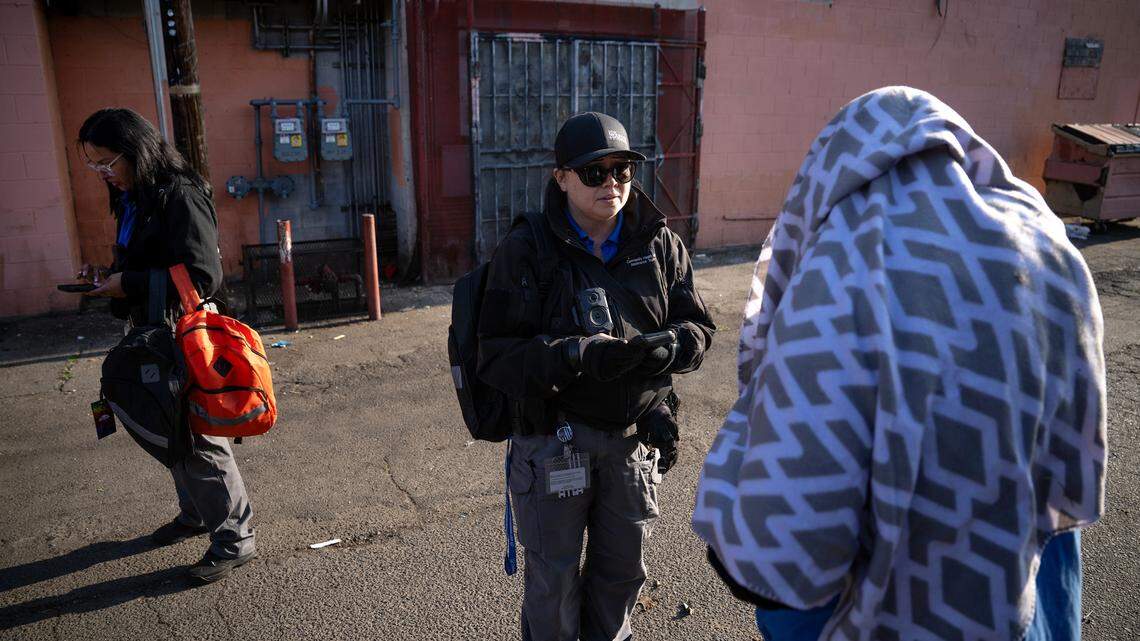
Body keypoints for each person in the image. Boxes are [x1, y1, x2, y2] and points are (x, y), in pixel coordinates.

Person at [691, 86, 1106, 640]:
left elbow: (782, 564)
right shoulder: (1050, 250)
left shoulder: (847, 273)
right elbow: (1074, 467)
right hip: (1032, 601)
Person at [478, 112, 716, 641]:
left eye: (623, 170)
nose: (612, 184)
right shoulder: (527, 249)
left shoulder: (660, 243)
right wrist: (575, 354)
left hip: (633, 446)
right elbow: (494, 357)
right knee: (555, 582)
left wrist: (671, 346)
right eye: (593, 173)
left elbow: (698, 326)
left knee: (622, 575)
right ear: (560, 176)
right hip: (555, 442)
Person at [77, 108, 257, 583]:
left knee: (195, 436)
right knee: (166, 427)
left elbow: (204, 275)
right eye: (94, 166)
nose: (103, 174)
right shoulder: (136, 196)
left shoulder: (179, 193)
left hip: (181, 333)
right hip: (150, 330)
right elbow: (143, 258)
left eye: (107, 162)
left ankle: (235, 538)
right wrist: (110, 279)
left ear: (134, 150)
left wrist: (128, 283)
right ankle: (197, 514)